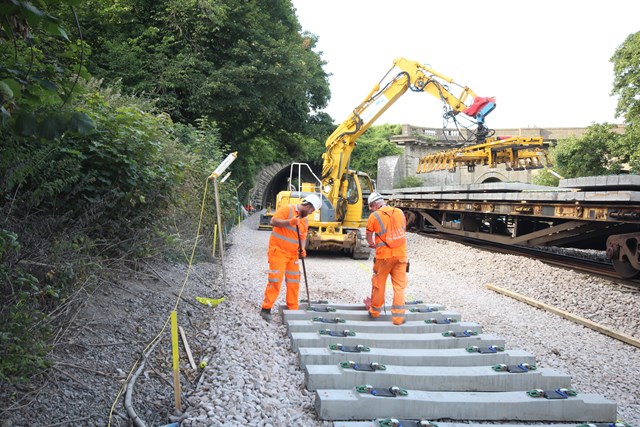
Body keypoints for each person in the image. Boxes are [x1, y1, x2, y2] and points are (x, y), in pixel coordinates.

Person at [260, 193, 322, 322]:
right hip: (278, 252)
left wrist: (302, 249)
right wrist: (290, 222)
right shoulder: (287, 209)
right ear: (307, 205)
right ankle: (266, 308)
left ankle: (292, 308)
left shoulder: (304, 220)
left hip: (293, 255)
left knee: (294, 282)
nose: (311, 213)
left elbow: (303, 236)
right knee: (275, 280)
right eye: (311, 210)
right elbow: (273, 221)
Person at [365, 192, 408, 325]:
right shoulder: (400, 212)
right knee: (399, 287)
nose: (371, 209)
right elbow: (402, 230)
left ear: (373, 205)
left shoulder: (374, 215)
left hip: (383, 257)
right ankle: (398, 318)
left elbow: (368, 235)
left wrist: (372, 244)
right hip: (401, 255)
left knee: (379, 284)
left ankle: (375, 311)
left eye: (371, 207)